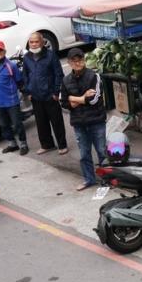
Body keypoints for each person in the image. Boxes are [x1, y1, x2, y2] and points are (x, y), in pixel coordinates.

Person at [60, 48, 106, 191]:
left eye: (80, 60)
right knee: (84, 154)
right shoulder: (66, 80)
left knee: (102, 152)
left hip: (96, 121)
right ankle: (89, 179)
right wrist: (81, 97)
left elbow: (94, 100)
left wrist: (73, 99)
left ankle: (108, 180)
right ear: (69, 63)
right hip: (79, 123)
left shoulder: (94, 76)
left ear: (84, 60)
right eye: (74, 60)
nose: (78, 63)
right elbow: (64, 103)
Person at [23, 32, 68, 155]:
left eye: (36, 41)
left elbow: (58, 74)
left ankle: (62, 145)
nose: (33, 44)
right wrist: (28, 91)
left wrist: (55, 92)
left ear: (42, 43)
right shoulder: (27, 57)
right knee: (41, 123)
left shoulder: (50, 55)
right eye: (31, 42)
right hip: (36, 96)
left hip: (50, 95)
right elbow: (25, 76)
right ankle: (47, 145)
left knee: (56, 122)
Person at [0, 40, 27, 155]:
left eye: (0, 50)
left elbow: (19, 81)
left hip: (12, 101)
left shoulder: (11, 66)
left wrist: (25, 94)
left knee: (17, 124)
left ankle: (23, 143)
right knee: (4, 125)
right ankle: (12, 144)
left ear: (4, 51)